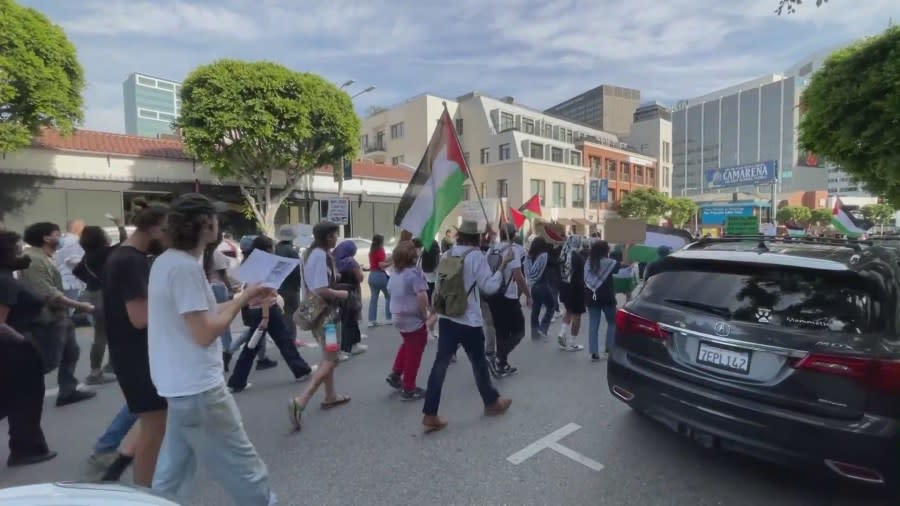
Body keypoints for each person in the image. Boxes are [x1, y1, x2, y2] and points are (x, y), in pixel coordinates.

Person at [149, 193, 275, 505]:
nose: (219, 224)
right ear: (205, 225)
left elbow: (200, 315)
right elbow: (205, 333)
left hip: (179, 386)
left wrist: (244, 296)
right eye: (215, 218)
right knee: (243, 465)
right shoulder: (184, 269)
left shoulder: (167, 262)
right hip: (199, 388)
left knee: (172, 473)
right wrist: (244, 301)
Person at [421, 221, 513, 433]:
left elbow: (439, 283)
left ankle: (430, 413)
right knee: (479, 363)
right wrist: (502, 265)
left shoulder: (447, 254)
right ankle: (491, 403)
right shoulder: (475, 256)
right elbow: (489, 286)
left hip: (448, 317)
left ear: (460, 235)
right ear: (477, 237)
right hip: (469, 319)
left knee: (440, 365)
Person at [102, 201, 169, 487]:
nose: (169, 238)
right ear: (154, 228)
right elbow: (140, 318)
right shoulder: (131, 261)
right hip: (138, 357)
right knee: (155, 430)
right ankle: (144, 493)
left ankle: (115, 467)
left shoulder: (125, 256)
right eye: (167, 231)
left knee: (153, 423)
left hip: (134, 354)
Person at [19, 222, 96, 407]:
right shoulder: (33, 260)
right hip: (46, 318)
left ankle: (67, 391)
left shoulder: (46, 257)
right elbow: (47, 293)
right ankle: (16, 395)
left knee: (71, 353)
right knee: (47, 360)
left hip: (59, 316)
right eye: (57, 234)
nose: (61, 237)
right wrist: (80, 305)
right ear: (46, 238)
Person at [227, 235, 314, 393]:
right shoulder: (266, 265)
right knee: (284, 341)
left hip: (255, 308)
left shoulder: (251, 262)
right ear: (268, 249)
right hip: (266, 309)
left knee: (252, 347)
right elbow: (265, 292)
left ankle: (237, 381)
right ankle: (301, 370)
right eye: (272, 247)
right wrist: (266, 317)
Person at [0, 231, 57, 467]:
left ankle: (26, 447)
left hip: (12, 349)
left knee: (13, 400)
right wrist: (22, 340)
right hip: (14, 351)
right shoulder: (4, 281)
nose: (21, 252)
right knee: (25, 401)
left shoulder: (6, 277)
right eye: (16, 248)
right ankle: (26, 449)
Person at [289, 221, 353, 431]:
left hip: (322, 316)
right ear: (328, 237)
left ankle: (330, 395)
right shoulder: (319, 256)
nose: (337, 238)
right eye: (335, 234)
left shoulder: (313, 254)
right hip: (327, 318)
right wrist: (341, 293)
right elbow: (321, 289)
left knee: (328, 356)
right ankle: (302, 400)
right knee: (331, 359)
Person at [74, 219, 127, 385]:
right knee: (109, 333)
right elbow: (125, 243)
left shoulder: (88, 256)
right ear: (100, 237)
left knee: (102, 333)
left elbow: (77, 271)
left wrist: (92, 281)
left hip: (93, 294)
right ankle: (101, 370)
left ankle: (101, 368)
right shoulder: (104, 252)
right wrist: (120, 225)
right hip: (106, 295)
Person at [385, 241, 432, 400]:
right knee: (415, 351)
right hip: (413, 318)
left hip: (398, 316)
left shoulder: (394, 274)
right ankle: (409, 387)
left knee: (407, 344)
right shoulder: (414, 274)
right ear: (412, 258)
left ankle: (396, 373)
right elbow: (421, 295)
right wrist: (425, 313)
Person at [485, 224, 530, 377]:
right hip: (508, 296)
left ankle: (501, 363)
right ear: (513, 235)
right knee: (520, 331)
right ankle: (498, 358)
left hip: (493, 295)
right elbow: (518, 276)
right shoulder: (513, 250)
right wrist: (528, 295)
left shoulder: (493, 249)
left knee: (501, 331)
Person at [584, 241, 619, 361]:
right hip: (607, 296)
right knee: (612, 322)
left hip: (591, 295)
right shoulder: (609, 263)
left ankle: (593, 352)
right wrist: (627, 248)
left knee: (593, 322)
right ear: (606, 251)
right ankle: (609, 349)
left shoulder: (589, 262)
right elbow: (625, 265)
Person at [333, 239, 366, 359]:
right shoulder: (351, 262)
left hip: (337, 291)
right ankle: (349, 346)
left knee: (342, 319)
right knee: (351, 319)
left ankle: (348, 346)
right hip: (351, 292)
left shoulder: (333, 260)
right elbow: (360, 277)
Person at [557, 235, 587, 352]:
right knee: (577, 316)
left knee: (568, 310)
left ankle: (562, 332)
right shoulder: (578, 257)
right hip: (576, 289)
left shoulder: (563, 254)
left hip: (564, 287)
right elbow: (582, 275)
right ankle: (572, 343)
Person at [54, 219, 87, 324]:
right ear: (76, 228)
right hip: (72, 282)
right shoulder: (75, 241)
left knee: (64, 312)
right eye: (83, 227)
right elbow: (74, 261)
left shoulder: (62, 240)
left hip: (61, 281)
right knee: (68, 313)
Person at [275, 225, 302, 344]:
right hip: (290, 288)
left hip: (277, 287)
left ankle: (285, 338)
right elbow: (297, 271)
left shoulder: (274, 249)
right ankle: (290, 340)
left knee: (283, 314)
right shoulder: (291, 251)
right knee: (290, 315)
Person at [524, 237, 554, 339]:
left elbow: (528, 273)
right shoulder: (544, 256)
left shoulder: (528, 257)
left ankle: (535, 335)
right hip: (543, 285)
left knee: (535, 310)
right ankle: (543, 328)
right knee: (551, 305)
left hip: (533, 287)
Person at [367, 234, 392, 327]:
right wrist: (392, 262)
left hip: (372, 275)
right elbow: (381, 264)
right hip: (380, 275)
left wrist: (390, 259)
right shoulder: (380, 250)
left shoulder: (372, 251)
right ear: (381, 241)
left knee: (373, 299)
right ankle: (389, 318)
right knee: (388, 296)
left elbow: (381, 260)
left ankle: (371, 320)